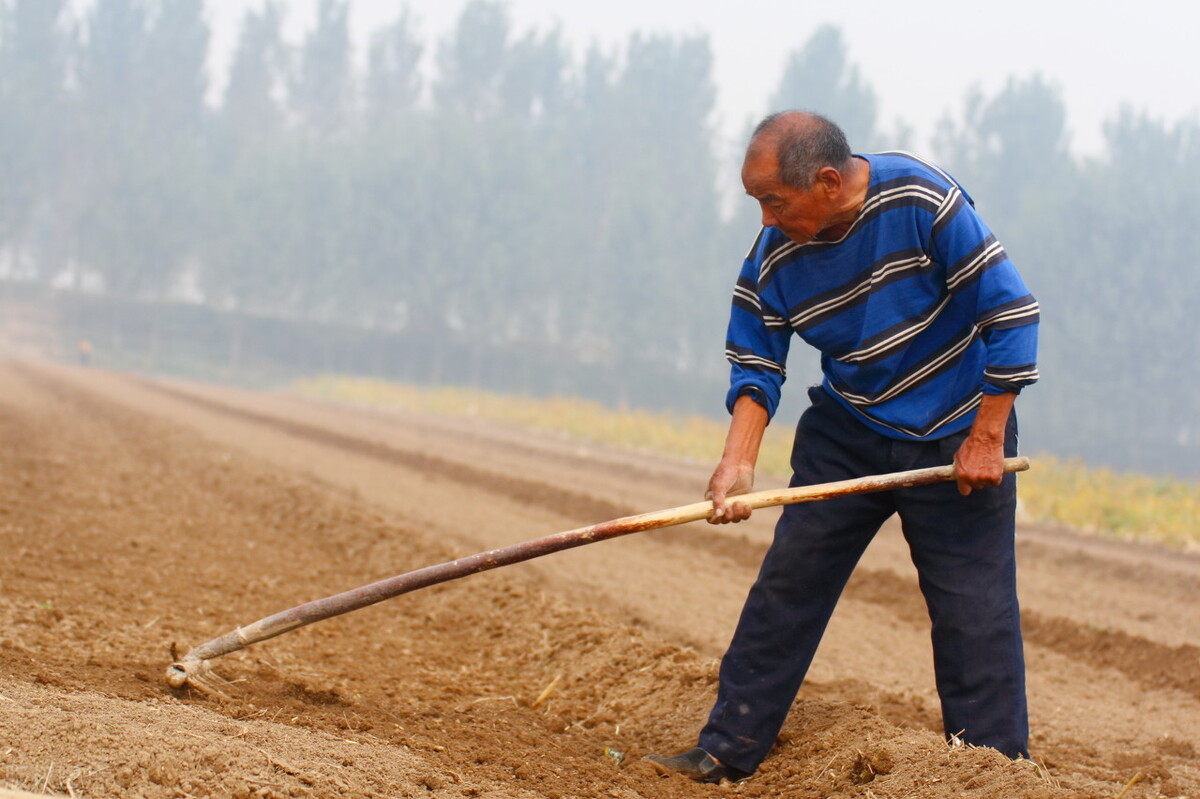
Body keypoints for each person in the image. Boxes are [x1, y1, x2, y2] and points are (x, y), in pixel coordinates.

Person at [645, 111, 1039, 784]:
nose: (766, 219)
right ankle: (726, 749)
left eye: (775, 199)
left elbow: (1011, 312)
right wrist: (738, 462)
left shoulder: (922, 201)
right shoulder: (773, 256)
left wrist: (987, 434)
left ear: (828, 181)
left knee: (975, 612)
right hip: (849, 432)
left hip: (956, 431)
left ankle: (993, 774)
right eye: (757, 202)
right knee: (787, 586)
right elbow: (756, 360)